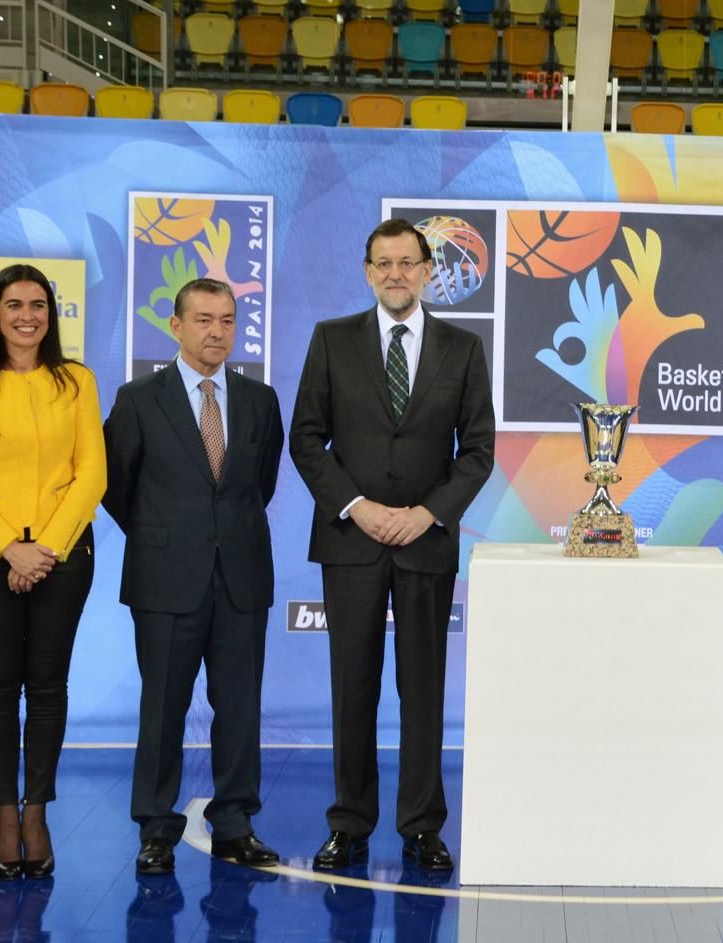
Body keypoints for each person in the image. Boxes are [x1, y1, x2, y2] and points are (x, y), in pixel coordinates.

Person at [290, 218, 495, 872]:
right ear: (367, 270)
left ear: (429, 270)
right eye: (384, 263)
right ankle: (349, 824)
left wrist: (428, 513)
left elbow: (479, 450)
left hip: (424, 544)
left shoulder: (462, 349)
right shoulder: (331, 340)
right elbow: (306, 438)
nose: (396, 274)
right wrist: (359, 505)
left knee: (422, 689)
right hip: (352, 539)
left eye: (408, 262)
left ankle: (421, 826)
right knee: (353, 687)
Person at [103, 278, 285, 875]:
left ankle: (234, 822)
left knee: (240, 706)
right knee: (162, 708)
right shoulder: (138, 398)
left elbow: (261, 486)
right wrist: (167, 535)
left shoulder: (259, 400)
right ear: (175, 326)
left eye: (228, 320)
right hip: (165, 577)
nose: (217, 331)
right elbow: (118, 488)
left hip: (241, 576)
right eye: (204, 319)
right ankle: (156, 827)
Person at [0, 263, 105, 879]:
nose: (27, 316)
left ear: (50, 314)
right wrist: (11, 548)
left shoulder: (77, 381)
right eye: (14, 305)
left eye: (38, 305)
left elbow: (93, 474)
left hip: (64, 556)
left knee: (49, 686)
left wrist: (46, 550)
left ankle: (38, 811)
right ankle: (5, 814)